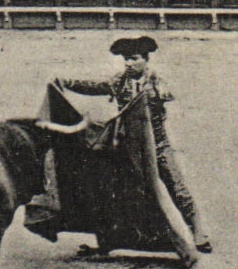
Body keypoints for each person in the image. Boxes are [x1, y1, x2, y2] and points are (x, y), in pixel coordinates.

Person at [53, 36, 211, 252]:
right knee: (117, 192)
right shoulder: (119, 81)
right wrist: (68, 83)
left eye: (133, 59)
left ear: (145, 60)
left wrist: (155, 93)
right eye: (126, 59)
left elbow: (167, 95)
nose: (128, 63)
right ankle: (110, 240)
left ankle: (198, 232)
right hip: (129, 146)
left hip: (157, 144)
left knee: (177, 187)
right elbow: (95, 86)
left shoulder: (156, 81)